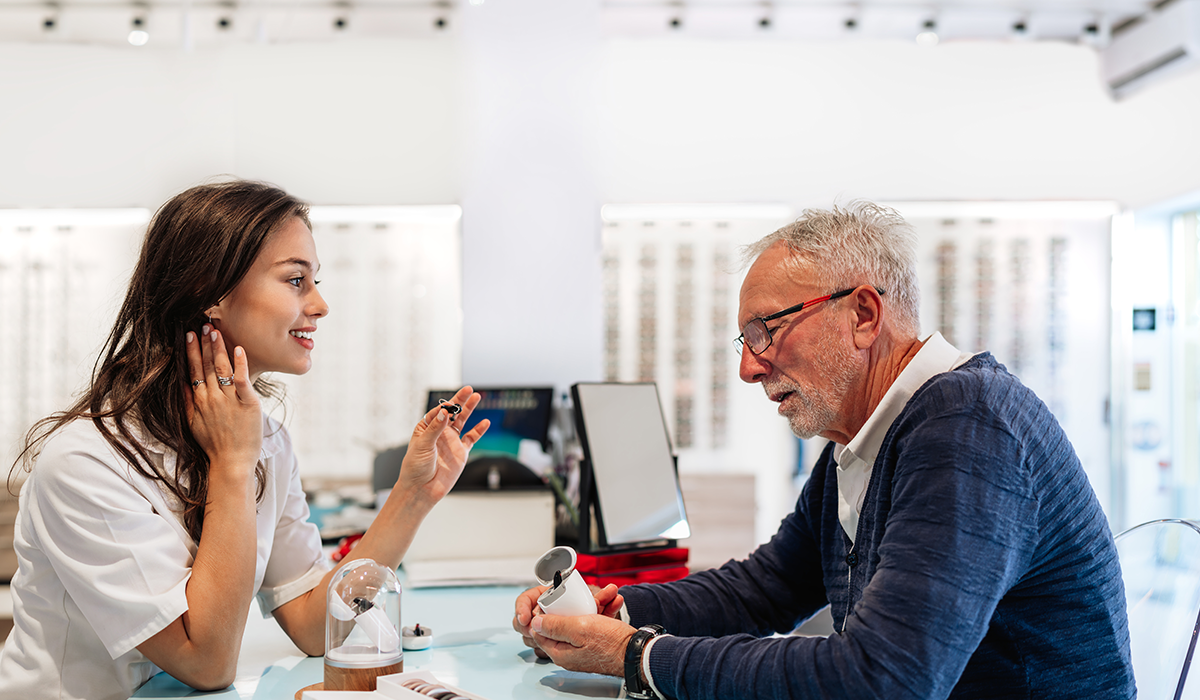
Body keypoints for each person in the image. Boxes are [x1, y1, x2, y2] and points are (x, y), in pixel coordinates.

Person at [513, 202, 1134, 699]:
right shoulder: (868, 436)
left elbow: (884, 677)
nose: (748, 369)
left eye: (767, 331)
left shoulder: (967, 425)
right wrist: (616, 609)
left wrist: (637, 655)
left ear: (864, 314)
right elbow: (768, 587)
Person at [0, 180, 490, 700]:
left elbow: (310, 622)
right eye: (296, 280)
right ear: (210, 292)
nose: (320, 305)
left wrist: (413, 495)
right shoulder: (85, 463)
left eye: (315, 280)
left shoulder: (267, 441)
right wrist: (232, 466)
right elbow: (206, 663)